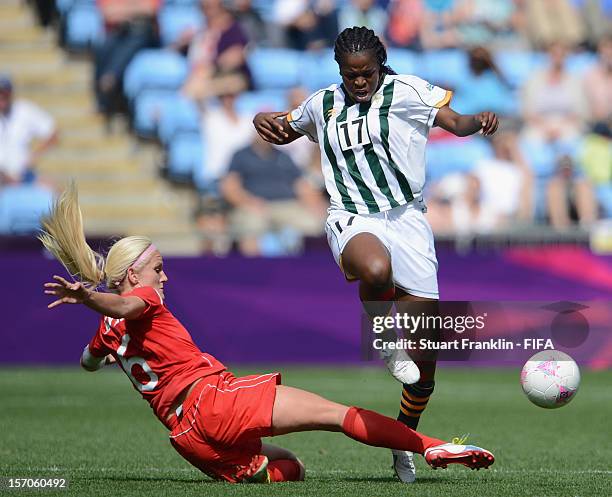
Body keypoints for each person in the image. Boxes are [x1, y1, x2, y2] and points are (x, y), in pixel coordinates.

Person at [39, 183, 495, 484]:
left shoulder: (107, 329)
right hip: (214, 401)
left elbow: (89, 359)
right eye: (157, 269)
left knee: (292, 469)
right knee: (338, 414)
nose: (163, 279)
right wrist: (92, 298)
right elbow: (126, 304)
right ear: (132, 274)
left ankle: (418, 450)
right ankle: (432, 448)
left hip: (190, 440)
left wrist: (97, 338)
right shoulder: (141, 300)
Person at [253, 26, 498, 483]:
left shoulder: (408, 90)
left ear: (381, 64)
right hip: (352, 216)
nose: (359, 82)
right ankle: (384, 337)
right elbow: (285, 128)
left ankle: (405, 443)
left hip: (408, 220)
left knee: (424, 371)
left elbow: (454, 120)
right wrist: (261, 121)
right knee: (374, 266)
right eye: (350, 74)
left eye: (366, 73)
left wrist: (477, 122)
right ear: (340, 71)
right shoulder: (322, 102)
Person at [221, 133, 327, 256]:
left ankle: (306, 270)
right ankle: (254, 270)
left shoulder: (283, 156)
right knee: (252, 225)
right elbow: (229, 186)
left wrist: (316, 205)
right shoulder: (241, 156)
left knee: (313, 224)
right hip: (254, 205)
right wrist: (248, 202)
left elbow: (301, 186)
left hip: (287, 205)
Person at [0, 75, 58, 186]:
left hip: (22, 177)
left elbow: (53, 132)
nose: (1, 97)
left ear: (10, 94)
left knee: (55, 192)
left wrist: (33, 157)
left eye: (4, 93)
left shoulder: (23, 110)